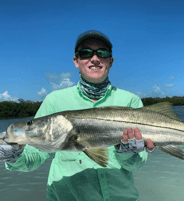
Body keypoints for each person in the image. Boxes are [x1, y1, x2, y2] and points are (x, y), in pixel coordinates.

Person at [0, 30, 155, 201]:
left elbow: (136, 164)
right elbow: (34, 157)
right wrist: (14, 156)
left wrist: (128, 154)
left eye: (102, 53)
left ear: (110, 61)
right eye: (85, 53)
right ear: (76, 61)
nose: (95, 59)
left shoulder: (130, 101)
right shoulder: (54, 100)